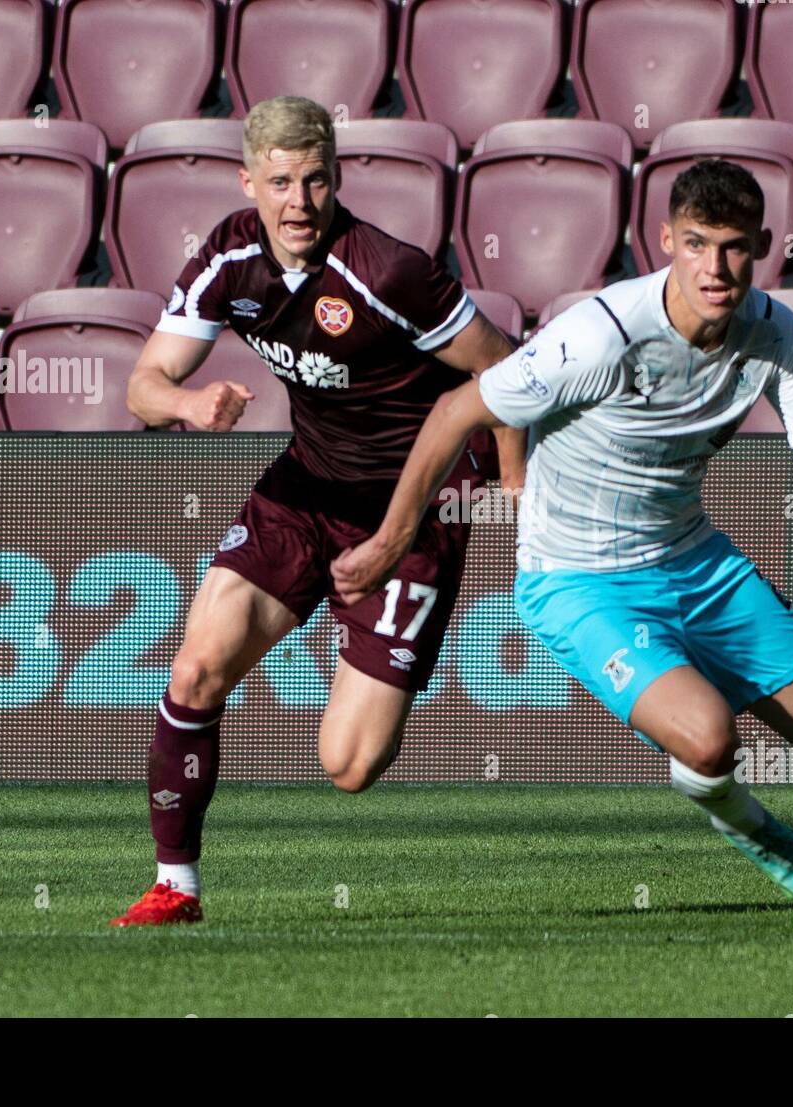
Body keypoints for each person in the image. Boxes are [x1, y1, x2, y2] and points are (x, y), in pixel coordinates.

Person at [331, 158, 793, 939]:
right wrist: (388, 542)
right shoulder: (601, 335)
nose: (716, 268)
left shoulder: (776, 333)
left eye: (734, 247)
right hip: (581, 582)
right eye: (697, 244)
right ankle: (784, 857)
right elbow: (457, 409)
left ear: (764, 246)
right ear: (665, 242)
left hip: (696, 562)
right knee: (709, 738)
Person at [111, 96, 525, 926]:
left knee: (348, 763)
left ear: (336, 179)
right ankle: (175, 888)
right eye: (280, 183)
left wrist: (515, 499)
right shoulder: (228, 257)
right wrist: (189, 406)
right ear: (247, 182)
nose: (299, 203)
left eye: (315, 181)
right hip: (305, 484)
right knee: (194, 670)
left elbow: (507, 372)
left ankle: (373, 632)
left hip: (414, 499)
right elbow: (142, 385)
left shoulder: (386, 271)